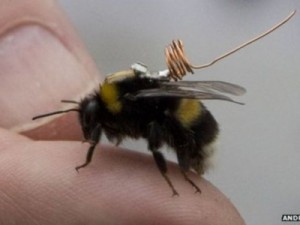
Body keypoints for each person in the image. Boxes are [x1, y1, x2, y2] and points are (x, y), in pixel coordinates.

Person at [0, 1, 245, 224]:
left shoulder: (125, 100)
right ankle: (181, 174)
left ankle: (179, 174)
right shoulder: (118, 98)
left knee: (159, 127)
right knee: (160, 122)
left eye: (91, 122)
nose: (91, 129)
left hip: (191, 125)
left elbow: (155, 126)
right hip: (180, 115)